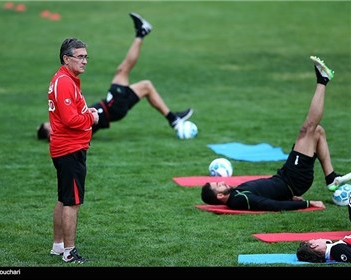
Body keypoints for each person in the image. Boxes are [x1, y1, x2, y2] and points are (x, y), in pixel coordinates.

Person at [201, 56, 344, 211]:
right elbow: (270, 205)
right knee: (308, 129)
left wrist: (289, 197)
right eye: (218, 185)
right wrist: (307, 204)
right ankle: (322, 80)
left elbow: (266, 194)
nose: (221, 181)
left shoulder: (237, 194)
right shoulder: (239, 200)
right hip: (293, 180)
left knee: (317, 132)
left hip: (286, 178)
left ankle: (331, 178)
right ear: (220, 196)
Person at [37, 12, 193, 141]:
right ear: (50, 134)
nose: (51, 124)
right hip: (112, 107)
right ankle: (141, 33)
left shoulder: (64, 124)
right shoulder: (67, 131)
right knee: (123, 70)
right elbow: (76, 125)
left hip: (112, 106)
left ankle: (174, 120)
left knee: (146, 86)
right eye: (48, 127)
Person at [48, 37, 99, 264]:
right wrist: (92, 117)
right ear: (66, 59)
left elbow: (72, 111)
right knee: (72, 202)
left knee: (64, 198)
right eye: (80, 57)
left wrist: (86, 111)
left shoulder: (68, 79)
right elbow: (70, 120)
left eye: (86, 56)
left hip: (67, 148)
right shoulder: (65, 81)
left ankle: (58, 246)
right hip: (69, 148)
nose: (85, 61)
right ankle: (69, 252)